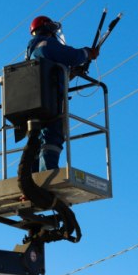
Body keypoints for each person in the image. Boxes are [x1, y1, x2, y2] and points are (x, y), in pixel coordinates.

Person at [26, 15, 99, 171]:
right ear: (47, 28)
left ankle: (31, 178)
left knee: (36, 141)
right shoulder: (46, 44)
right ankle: (47, 175)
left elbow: (51, 75)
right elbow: (72, 55)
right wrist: (88, 53)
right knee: (51, 138)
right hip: (50, 102)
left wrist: (71, 73)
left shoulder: (32, 51)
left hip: (34, 102)